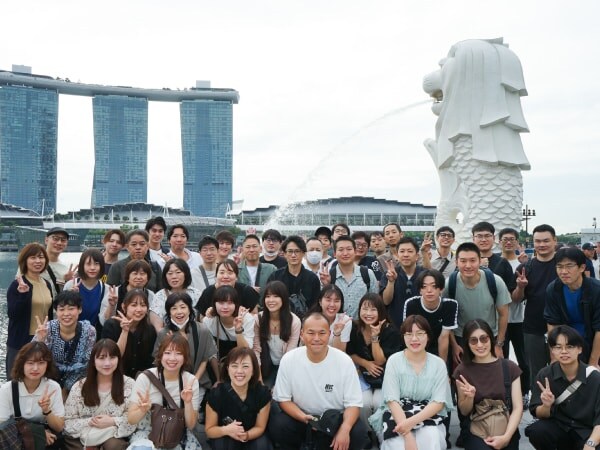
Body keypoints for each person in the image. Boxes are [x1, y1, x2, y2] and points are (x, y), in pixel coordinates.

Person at [269, 312, 370, 450]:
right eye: (311, 333)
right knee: (279, 424)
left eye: (322, 333)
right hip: (302, 418)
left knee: (358, 433)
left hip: (334, 420)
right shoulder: (289, 359)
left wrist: (345, 429)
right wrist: (303, 417)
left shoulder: (344, 361)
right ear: (302, 335)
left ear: (329, 334)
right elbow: (283, 399)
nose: (316, 338)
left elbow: (353, 404)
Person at [368, 315, 452, 450]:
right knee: (397, 445)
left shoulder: (438, 364)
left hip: (427, 415)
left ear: (428, 336)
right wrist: (407, 435)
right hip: (396, 415)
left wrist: (410, 423)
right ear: (403, 337)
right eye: (409, 334)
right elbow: (392, 400)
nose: (414, 339)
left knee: (432, 439)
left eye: (420, 333)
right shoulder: (394, 361)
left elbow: (438, 402)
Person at [526, 325, 600, 450]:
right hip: (560, 428)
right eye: (558, 347)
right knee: (537, 431)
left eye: (569, 346)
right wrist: (546, 406)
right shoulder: (545, 374)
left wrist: (591, 443)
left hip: (586, 432)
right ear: (552, 350)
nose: (564, 351)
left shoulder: (595, 378)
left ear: (580, 349)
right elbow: (538, 413)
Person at [454, 319, 523, 450]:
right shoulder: (462, 371)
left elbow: (518, 407)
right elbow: (464, 411)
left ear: (491, 339)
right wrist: (469, 397)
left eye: (484, 339)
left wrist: (506, 437)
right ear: (467, 343)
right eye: (473, 340)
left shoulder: (510, 367)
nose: (480, 345)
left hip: (506, 428)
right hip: (476, 430)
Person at [128, 333, 203, 450]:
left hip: (177, 435)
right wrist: (142, 410)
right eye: (167, 353)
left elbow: (191, 425)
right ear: (160, 355)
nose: (172, 358)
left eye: (178, 353)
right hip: (147, 432)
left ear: (185, 357)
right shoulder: (146, 377)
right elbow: (131, 420)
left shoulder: (190, 381)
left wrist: (188, 402)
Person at [442, 242, 511, 362]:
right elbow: (447, 319)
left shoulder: (495, 281)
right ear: (456, 262)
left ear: (480, 261)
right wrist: (454, 345)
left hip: (489, 338)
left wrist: (499, 344)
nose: (468, 265)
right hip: (462, 339)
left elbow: (504, 314)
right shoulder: (450, 284)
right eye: (463, 261)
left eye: (473, 260)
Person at [63, 339, 136, 450]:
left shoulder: (129, 385)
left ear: (118, 359)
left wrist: (112, 421)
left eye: (112, 357)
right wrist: (92, 421)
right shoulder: (79, 386)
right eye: (101, 358)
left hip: (113, 436)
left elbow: (133, 419)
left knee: (114, 446)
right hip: (84, 437)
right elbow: (68, 422)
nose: (107, 363)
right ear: (93, 361)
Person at [512, 223, 559, 393]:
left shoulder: (563, 264)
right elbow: (516, 299)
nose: (541, 244)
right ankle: (538, 405)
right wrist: (521, 287)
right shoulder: (525, 268)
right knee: (536, 374)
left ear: (555, 241)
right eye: (538, 241)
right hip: (533, 328)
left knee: (561, 370)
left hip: (562, 327)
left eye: (546, 240)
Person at [346, 293, 402, 431]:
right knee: (363, 403)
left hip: (384, 377)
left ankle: (380, 433)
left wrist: (375, 337)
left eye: (373, 309)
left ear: (380, 311)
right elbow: (350, 353)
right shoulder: (354, 328)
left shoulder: (390, 331)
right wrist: (366, 363)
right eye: (365, 309)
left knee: (378, 402)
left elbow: (380, 360)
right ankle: (367, 433)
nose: (368, 313)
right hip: (362, 375)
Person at [205, 347, 273, 449]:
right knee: (222, 445)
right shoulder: (216, 395)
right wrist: (226, 430)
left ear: (253, 370)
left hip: (252, 435)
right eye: (234, 366)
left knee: (261, 445)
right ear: (227, 369)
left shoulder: (262, 393)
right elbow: (209, 430)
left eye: (245, 366)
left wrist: (246, 435)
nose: (239, 371)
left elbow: (260, 427)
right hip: (226, 435)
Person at [0, 342, 65, 448]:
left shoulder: (53, 387)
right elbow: (2, 425)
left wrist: (47, 410)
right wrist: (36, 433)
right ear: (22, 365)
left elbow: (59, 427)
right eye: (30, 363)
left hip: (45, 439)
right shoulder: (7, 389)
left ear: (47, 365)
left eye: (41, 363)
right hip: (14, 439)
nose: (35, 368)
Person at [544, 246, 600, 366]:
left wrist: (593, 362)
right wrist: (555, 356)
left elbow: (599, 329)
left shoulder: (596, 290)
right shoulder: (553, 289)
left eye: (569, 266)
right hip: (566, 344)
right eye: (559, 266)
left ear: (582, 268)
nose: (564, 271)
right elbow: (552, 323)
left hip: (593, 341)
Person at [33, 290, 96, 393]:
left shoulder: (89, 331)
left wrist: (66, 389)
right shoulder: (47, 329)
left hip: (77, 384)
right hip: (48, 380)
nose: (66, 314)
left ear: (80, 309)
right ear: (56, 311)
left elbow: (86, 364)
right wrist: (40, 341)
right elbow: (33, 358)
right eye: (61, 309)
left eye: (71, 309)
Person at [6, 242, 54, 377]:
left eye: (41, 257)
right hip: (20, 342)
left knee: (41, 379)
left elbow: (49, 315)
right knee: (16, 381)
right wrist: (23, 295)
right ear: (25, 260)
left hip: (42, 340)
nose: (38, 261)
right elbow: (13, 314)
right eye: (33, 257)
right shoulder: (17, 285)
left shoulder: (47, 284)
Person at [154, 292, 220, 389]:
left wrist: (195, 381)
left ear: (189, 310)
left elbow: (206, 358)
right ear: (169, 312)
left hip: (199, 382)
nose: (179, 312)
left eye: (183, 307)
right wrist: (169, 344)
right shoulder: (163, 333)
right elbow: (158, 361)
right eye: (174, 308)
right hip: (171, 382)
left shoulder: (202, 330)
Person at [403, 269, 458, 362]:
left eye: (434, 286)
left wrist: (442, 366)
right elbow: (409, 334)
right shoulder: (411, 304)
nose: (429, 290)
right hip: (417, 345)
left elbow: (444, 337)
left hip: (439, 348)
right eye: (424, 286)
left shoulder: (450, 305)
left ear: (441, 289)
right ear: (420, 290)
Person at [253, 281, 301, 386]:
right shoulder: (258, 319)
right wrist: (259, 379)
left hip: (286, 367)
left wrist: (278, 384)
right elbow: (256, 349)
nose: (271, 300)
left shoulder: (294, 321)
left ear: (283, 298)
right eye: (268, 296)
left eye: (276, 296)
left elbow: (289, 354)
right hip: (264, 366)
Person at [319, 236, 378, 320]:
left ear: (355, 251)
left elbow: (375, 302)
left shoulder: (367, 274)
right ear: (334, 254)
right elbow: (323, 304)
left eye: (349, 249)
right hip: (337, 324)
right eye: (341, 250)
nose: (345, 253)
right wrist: (326, 285)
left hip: (362, 325)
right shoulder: (328, 275)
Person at [102, 289, 157, 378]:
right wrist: (125, 331)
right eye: (134, 305)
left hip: (140, 378)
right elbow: (113, 356)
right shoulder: (111, 325)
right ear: (124, 307)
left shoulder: (150, 330)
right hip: (115, 375)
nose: (139, 309)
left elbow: (148, 361)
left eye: (143, 305)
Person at [267, 235, 321, 318]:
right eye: (290, 251)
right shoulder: (275, 276)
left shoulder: (312, 278)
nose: (293, 255)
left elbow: (316, 306)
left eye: (297, 251)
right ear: (285, 254)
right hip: (280, 320)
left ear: (303, 254)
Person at [380, 237, 425, 327]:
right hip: (395, 327)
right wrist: (391, 282)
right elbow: (386, 301)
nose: (406, 255)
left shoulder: (425, 275)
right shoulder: (389, 274)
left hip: (421, 327)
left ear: (417, 256)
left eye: (410, 251)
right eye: (402, 251)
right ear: (397, 255)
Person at [202, 286, 256, 362]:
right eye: (221, 303)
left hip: (241, 361)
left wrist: (238, 330)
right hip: (218, 362)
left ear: (236, 304)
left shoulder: (246, 319)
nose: (225, 307)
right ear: (214, 304)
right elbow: (209, 352)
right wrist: (217, 370)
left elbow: (246, 351)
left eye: (230, 303)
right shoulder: (208, 321)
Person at [149, 258, 202, 331]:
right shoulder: (159, 296)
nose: (174, 276)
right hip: (168, 336)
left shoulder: (196, 294)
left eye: (178, 272)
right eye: (170, 273)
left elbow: (202, 321)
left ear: (186, 274)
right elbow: (158, 329)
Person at [99, 259, 156, 326]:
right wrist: (111, 306)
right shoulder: (115, 293)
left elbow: (152, 322)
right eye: (135, 273)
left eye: (142, 274)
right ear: (127, 277)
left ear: (148, 278)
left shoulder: (151, 296)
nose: (138, 277)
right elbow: (104, 321)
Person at [64, 248, 109, 330]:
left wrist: (112, 305)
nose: (92, 268)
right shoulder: (70, 284)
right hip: (71, 331)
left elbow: (104, 321)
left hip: (95, 333)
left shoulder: (106, 289)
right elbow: (63, 313)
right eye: (88, 264)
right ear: (82, 266)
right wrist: (71, 297)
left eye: (96, 264)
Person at [310, 284, 353, 351]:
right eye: (328, 300)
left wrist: (337, 333)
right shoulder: (310, 320)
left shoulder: (345, 321)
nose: (332, 304)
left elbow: (340, 352)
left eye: (336, 301)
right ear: (320, 302)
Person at [43, 227, 77, 295]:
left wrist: (67, 282)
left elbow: (61, 294)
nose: (59, 243)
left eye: (63, 240)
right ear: (46, 240)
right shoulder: (34, 263)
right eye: (55, 239)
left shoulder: (65, 269)